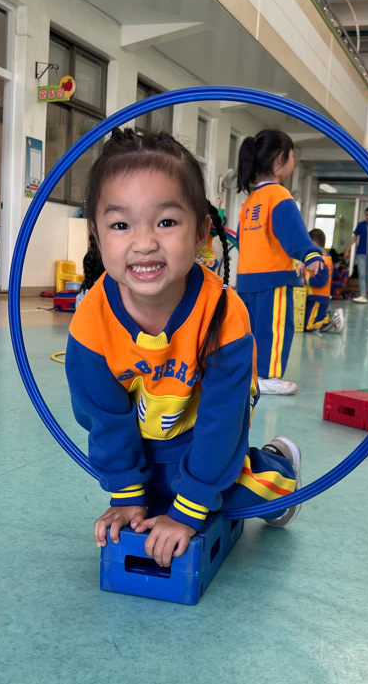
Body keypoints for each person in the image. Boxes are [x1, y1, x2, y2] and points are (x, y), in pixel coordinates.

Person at [65, 128, 303, 568]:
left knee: (235, 495)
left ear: (201, 234)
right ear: (96, 236)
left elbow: (222, 421)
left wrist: (189, 510)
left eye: (166, 222)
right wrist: (126, 495)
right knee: (152, 501)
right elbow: (104, 417)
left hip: (206, 434)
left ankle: (278, 464)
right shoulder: (90, 322)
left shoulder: (223, 314)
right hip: (149, 442)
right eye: (120, 225)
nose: (144, 243)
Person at [235, 130, 325, 395]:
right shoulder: (279, 195)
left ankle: (251, 374)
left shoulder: (250, 201)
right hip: (273, 277)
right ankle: (267, 376)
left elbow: (241, 240)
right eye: (292, 156)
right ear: (280, 159)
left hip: (247, 278)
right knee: (274, 329)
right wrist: (310, 254)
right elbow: (291, 230)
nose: (293, 162)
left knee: (251, 329)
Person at [304, 228, 344, 333]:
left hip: (317, 298)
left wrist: (305, 280)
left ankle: (331, 317)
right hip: (316, 297)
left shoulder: (321, 261)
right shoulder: (325, 259)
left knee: (310, 326)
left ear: (314, 244)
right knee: (307, 322)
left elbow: (321, 281)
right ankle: (323, 322)